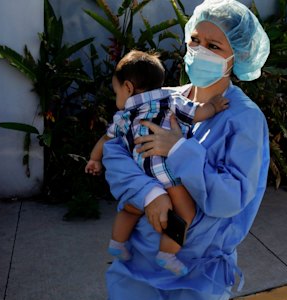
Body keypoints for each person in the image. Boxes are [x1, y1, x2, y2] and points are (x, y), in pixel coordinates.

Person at [102, 0, 271, 300]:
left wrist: (179, 149)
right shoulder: (163, 98)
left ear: (236, 56)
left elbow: (229, 199)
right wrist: (149, 193)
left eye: (213, 45)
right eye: (195, 40)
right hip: (138, 264)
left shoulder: (244, 119)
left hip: (195, 274)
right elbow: (115, 152)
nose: (199, 50)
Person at [85, 49, 229, 276]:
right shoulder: (171, 100)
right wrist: (213, 106)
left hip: (141, 172)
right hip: (168, 171)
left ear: (129, 88)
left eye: (116, 92)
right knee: (185, 213)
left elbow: (107, 139)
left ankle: (117, 243)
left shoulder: (123, 116)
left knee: (131, 208)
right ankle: (167, 253)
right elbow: (197, 114)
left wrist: (94, 159)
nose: (117, 98)